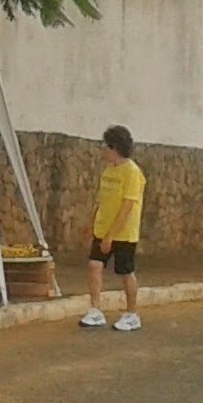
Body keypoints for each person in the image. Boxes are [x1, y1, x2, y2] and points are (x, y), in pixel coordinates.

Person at [79, 124, 145, 332]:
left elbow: (127, 206)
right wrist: (92, 225)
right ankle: (96, 309)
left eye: (106, 146)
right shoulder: (108, 171)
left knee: (126, 272)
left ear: (115, 147)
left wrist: (112, 235)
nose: (103, 150)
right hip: (102, 229)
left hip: (123, 233)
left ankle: (132, 313)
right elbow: (103, 201)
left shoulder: (133, 173)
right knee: (94, 265)